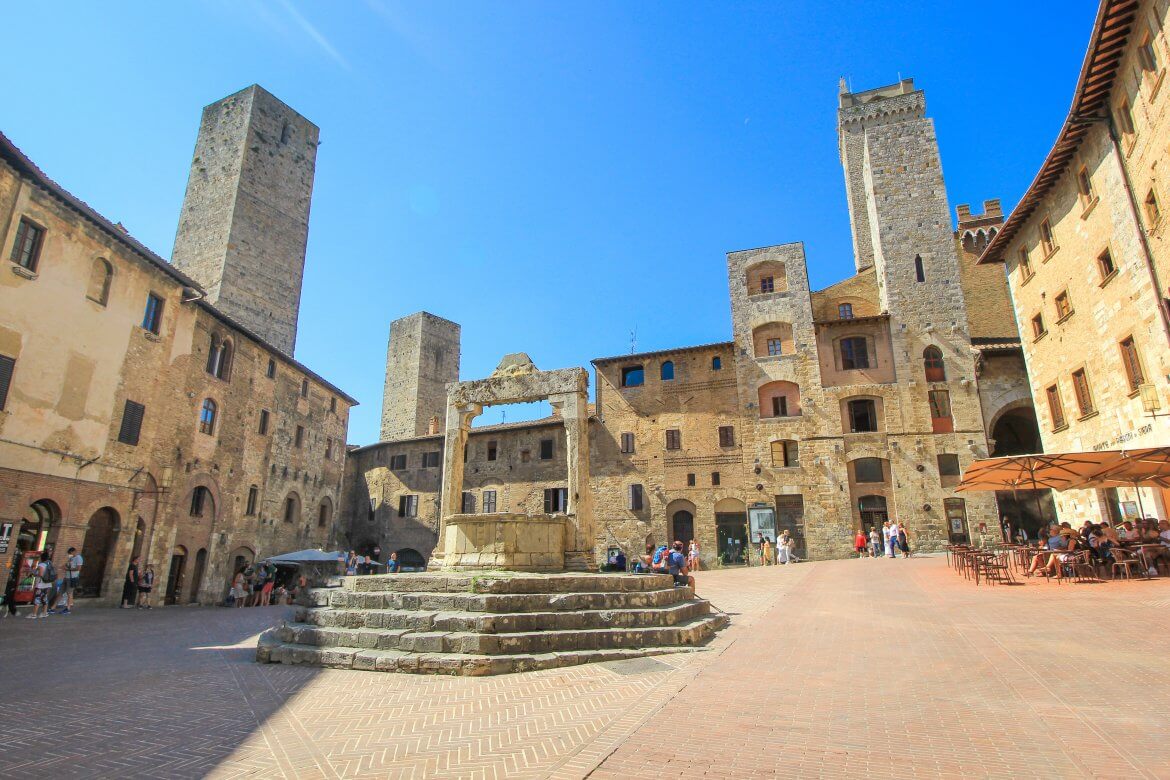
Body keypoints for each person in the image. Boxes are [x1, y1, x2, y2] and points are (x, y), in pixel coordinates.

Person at [29, 551, 55, 619]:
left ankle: (34, 614)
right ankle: (44, 613)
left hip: (41, 584)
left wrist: (34, 574)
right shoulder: (49, 564)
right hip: (48, 584)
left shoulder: (42, 565)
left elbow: (40, 574)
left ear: (42, 558)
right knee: (44, 598)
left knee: (37, 599)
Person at [56, 547, 82, 614]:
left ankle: (68, 608)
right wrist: (62, 567)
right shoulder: (71, 558)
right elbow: (67, 564)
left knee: (69, 593)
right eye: (69, 554)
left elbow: (78, 568)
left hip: (72, 578)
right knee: (61, 592)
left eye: (70, 553)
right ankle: (53, 607)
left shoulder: (79, 558)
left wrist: (68, 569)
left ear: (74, 551)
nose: (70, 554)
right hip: (66, 577)